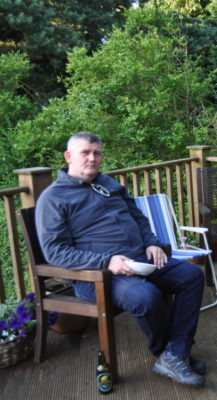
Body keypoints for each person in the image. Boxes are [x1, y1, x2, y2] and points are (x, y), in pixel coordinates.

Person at [36, 132, 206, 386]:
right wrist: (107, 262)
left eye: (97, 153)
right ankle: (167, 353)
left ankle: (177, 351)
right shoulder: (54, 198)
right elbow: (55, 251)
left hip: (140, 260)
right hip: (98, 276)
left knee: (192, 276)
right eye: (85, 153)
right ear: (69, 156)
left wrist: (151, 242)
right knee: (146, 297)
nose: (92, 158)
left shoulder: (108, 183)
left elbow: (138, 218)